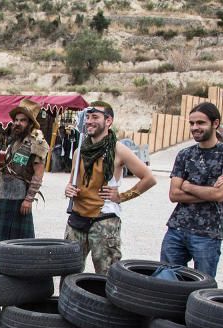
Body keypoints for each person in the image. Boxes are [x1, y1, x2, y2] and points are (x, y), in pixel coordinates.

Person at [64, 101, 156, 274]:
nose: (89, 121)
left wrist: (122, 196)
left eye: (95, 117)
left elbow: (149, 178)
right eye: (88, 117)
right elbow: (72, 183)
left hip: (104, 220)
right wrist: (68, 189)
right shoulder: (79, 151)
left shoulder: (118, 150)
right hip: (77, 219)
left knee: (106, 275)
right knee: (69, 272)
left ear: (108, 121)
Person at [161, 102, 223, 277]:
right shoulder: (184, 154)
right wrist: (210, 192)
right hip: (177, 229)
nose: (195, 127)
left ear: (215, 123)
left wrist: (188, 186)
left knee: (201, 290)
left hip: (208, 234)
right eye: (192, 123)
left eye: (200, 123)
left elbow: (220, 194)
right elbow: (174, 194)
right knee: (165, 284)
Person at [0, 100, 49, 244]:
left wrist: (28, 199)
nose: (17, 123)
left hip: (19, 199)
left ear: (30, 123)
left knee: (20, 245)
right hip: (3, 196)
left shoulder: (37, 143)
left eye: (23, 120)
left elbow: (38, 174)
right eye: (16, 120)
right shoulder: (13, 141)